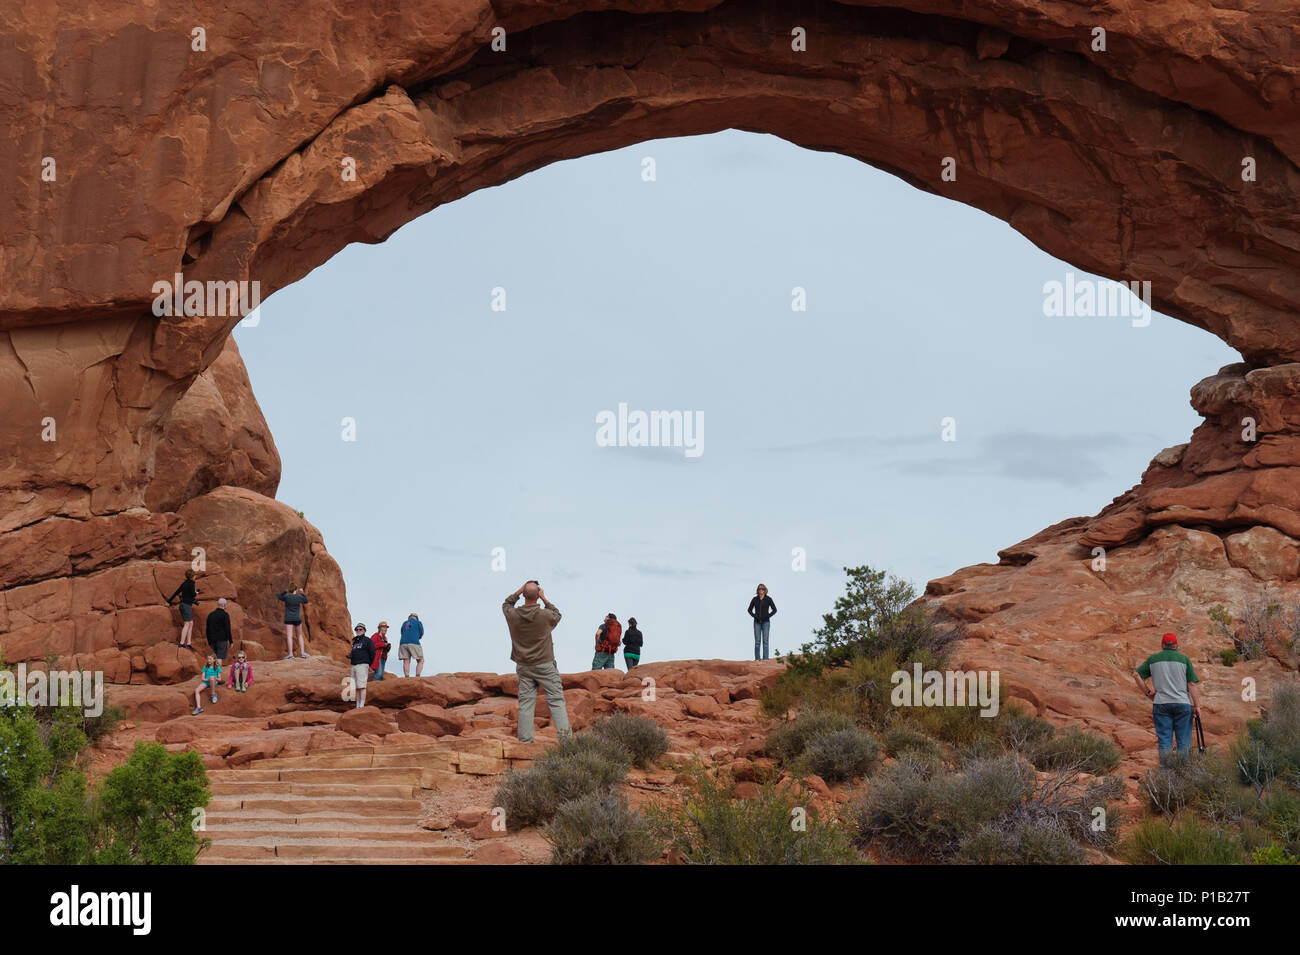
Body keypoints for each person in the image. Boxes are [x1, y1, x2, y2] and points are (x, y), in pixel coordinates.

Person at [503, 581, 571, 743]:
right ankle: (567, 743)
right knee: (556, 702)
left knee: (526, 704)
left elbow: (506, 603)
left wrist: (520, 591)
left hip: (524, 665)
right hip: (545, 664)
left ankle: (525, 743)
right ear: (538, 595)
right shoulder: (545, 615)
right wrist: (544, 598)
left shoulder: (513, 615)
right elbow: (557, 614)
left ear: (523, 595)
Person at [1134, 633, 1202, 763]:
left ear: (1162, 645)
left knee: (1165, 740)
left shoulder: (1153, 659)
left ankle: (1166, 773)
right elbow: (1192, 684)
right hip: (1182, 703)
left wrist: (1148, 693)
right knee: (1184, 741)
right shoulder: (1184, 659)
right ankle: (1183, 771)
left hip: (1161, 704)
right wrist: (1197, 706)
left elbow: (1136, 675)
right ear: (1177, 645)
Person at [167, 569, 201, 651]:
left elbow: (176, 592)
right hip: (186, 606)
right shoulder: (192, 583)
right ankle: (182, 643)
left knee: (190, 623)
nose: (195, 577)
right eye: (194, 575)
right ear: (192, 576)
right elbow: (192, 594)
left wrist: (169, 601)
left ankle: (188, 643)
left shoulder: (184, 583)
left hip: (182, 605)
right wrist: (196, 593)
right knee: (187, 624)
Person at [278, 585, 309, 659]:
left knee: (289, 636)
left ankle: (290, 654)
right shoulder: (299, 597)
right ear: (296, 589)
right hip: (297, 618)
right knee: (300, 635)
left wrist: (285, 591)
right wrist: (302, 592)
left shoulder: (287, 597)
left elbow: (279, 597)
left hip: (288, 619)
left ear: (290, 589)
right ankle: (302, 653)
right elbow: (306, 601)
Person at [348, 622, 375, 708]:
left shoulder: (367, 640)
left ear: (364, 630)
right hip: (354, 665)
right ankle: (357, 705)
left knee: (362, 686)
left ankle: (362, 705)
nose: (358, 631)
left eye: (360, 629)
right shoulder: (355, 641)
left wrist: (369, 663)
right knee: (356, 686)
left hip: (362, 664)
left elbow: (372, 653)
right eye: (357, 629)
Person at [748, 584, 777, 661]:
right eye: (759, 589)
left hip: (766, 623)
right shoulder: (755, 599)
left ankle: (765, 659)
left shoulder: (768, 599)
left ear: (765, 590)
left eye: (762, 588)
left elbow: (774, 610)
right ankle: (757, 659)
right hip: (757, 622)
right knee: (757, 642)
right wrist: (754, 616)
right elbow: (749, 610)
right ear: (757, 590)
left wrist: (768, 616)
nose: (761, 590)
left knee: (765, 642)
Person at [205, 597, 233, 663]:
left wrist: (209, 641)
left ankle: (215, 669)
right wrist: (231, 641)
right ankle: (218, 670)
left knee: (215, 657)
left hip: (213, 639)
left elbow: (207, 629)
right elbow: (227, 629)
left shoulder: (211, 615)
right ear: (224, 605)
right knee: (219, 657)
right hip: (222, 639)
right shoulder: (225, 615)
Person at [399, 612, 424, 677]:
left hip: (403, 643)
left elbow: (402, 632)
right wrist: (417, 636)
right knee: (420, 660)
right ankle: (417, 676)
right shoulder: (418, 622)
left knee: (406, 661)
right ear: (416, 618)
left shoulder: (404, 623)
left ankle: (406, 676)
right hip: (414, 642)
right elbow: (421, 632)